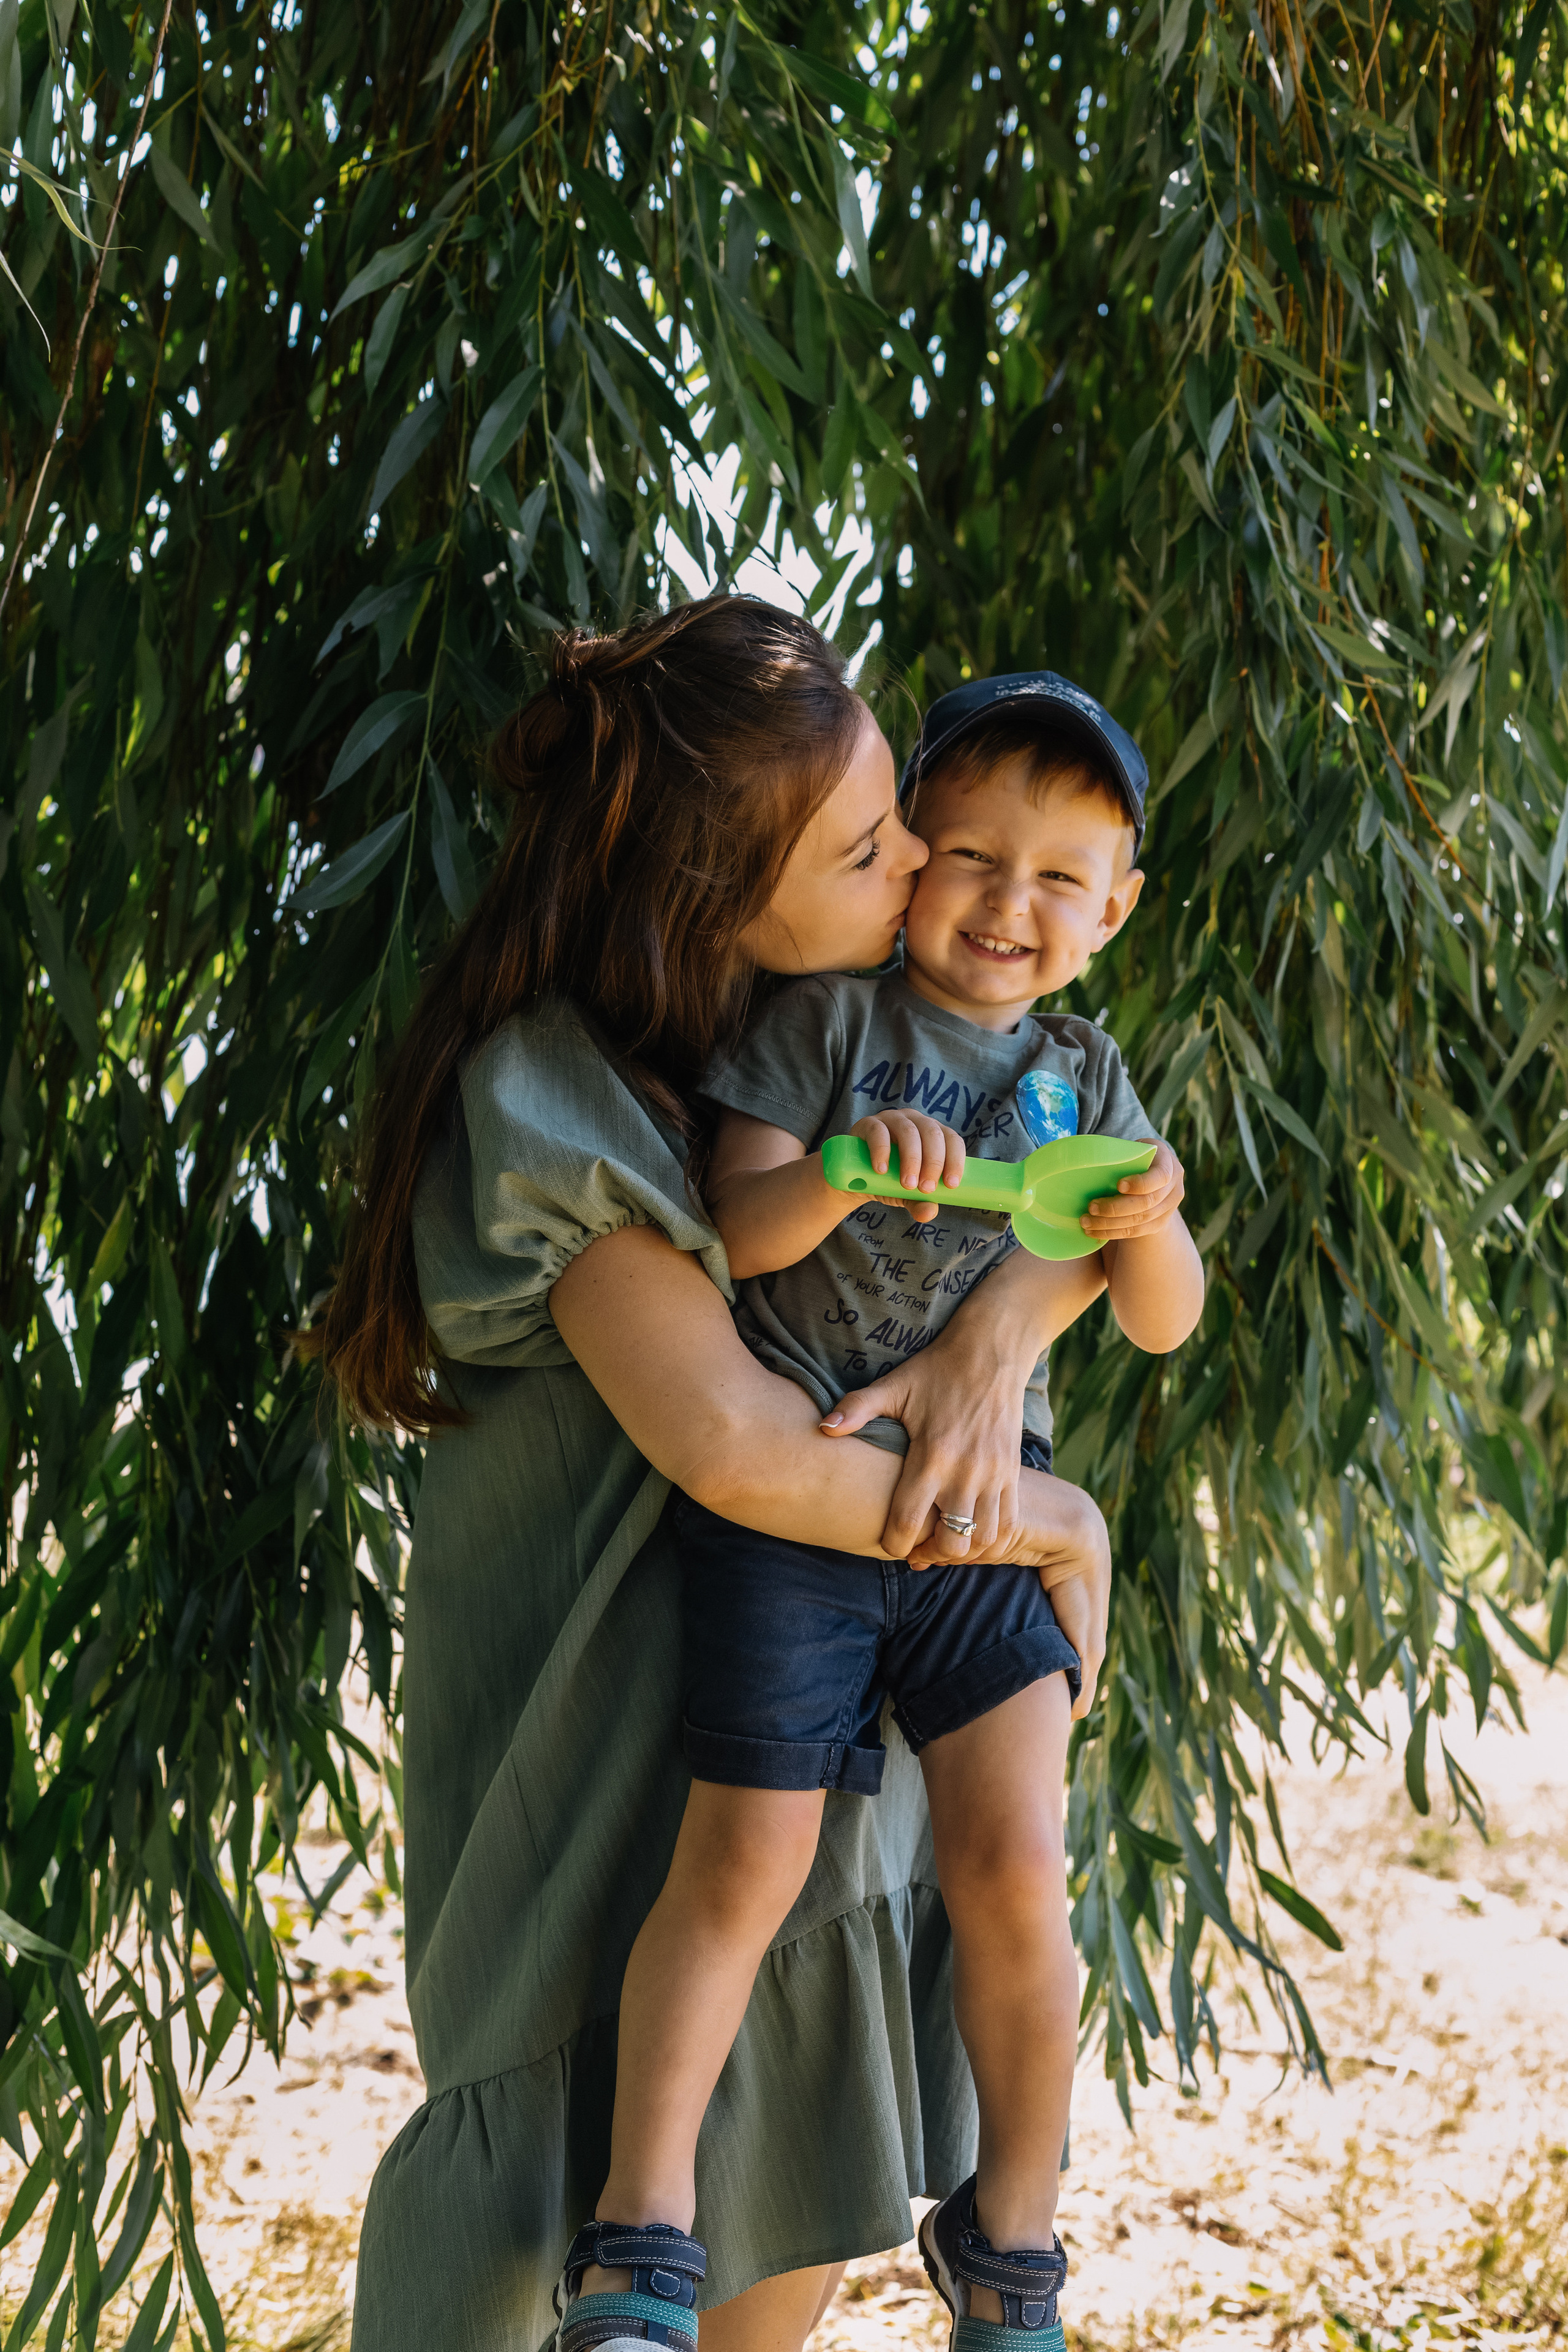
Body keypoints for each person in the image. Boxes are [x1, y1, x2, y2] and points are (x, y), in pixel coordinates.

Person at [313, 599, 1118, 2352]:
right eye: (870, 843)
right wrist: (1052, 1516)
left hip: (791, 1754)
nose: (920, 865)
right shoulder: (554, 1102)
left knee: (772, 2155)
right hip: (596, 1766)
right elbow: (744, 1454)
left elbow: (1089, 1211)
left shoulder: (825, 1045)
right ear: (708, 905)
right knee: (550, 2230)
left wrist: (994, 1349)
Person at [553, 674, 1205, 2352]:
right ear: (908, 862)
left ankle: (1013, 2246)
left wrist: (1155, 1220)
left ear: (1116, 910)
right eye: (970, 855)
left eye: (1063, 878)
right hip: (797, 1524)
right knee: (745, 1857)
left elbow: (1159, 1320)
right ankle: (642, 2241)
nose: (1010, 903)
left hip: (981, 1525)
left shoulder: (1085, 1073)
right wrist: (842, 1170)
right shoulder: (829, 1024)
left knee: (1017, 1872)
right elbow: (739, 1226)